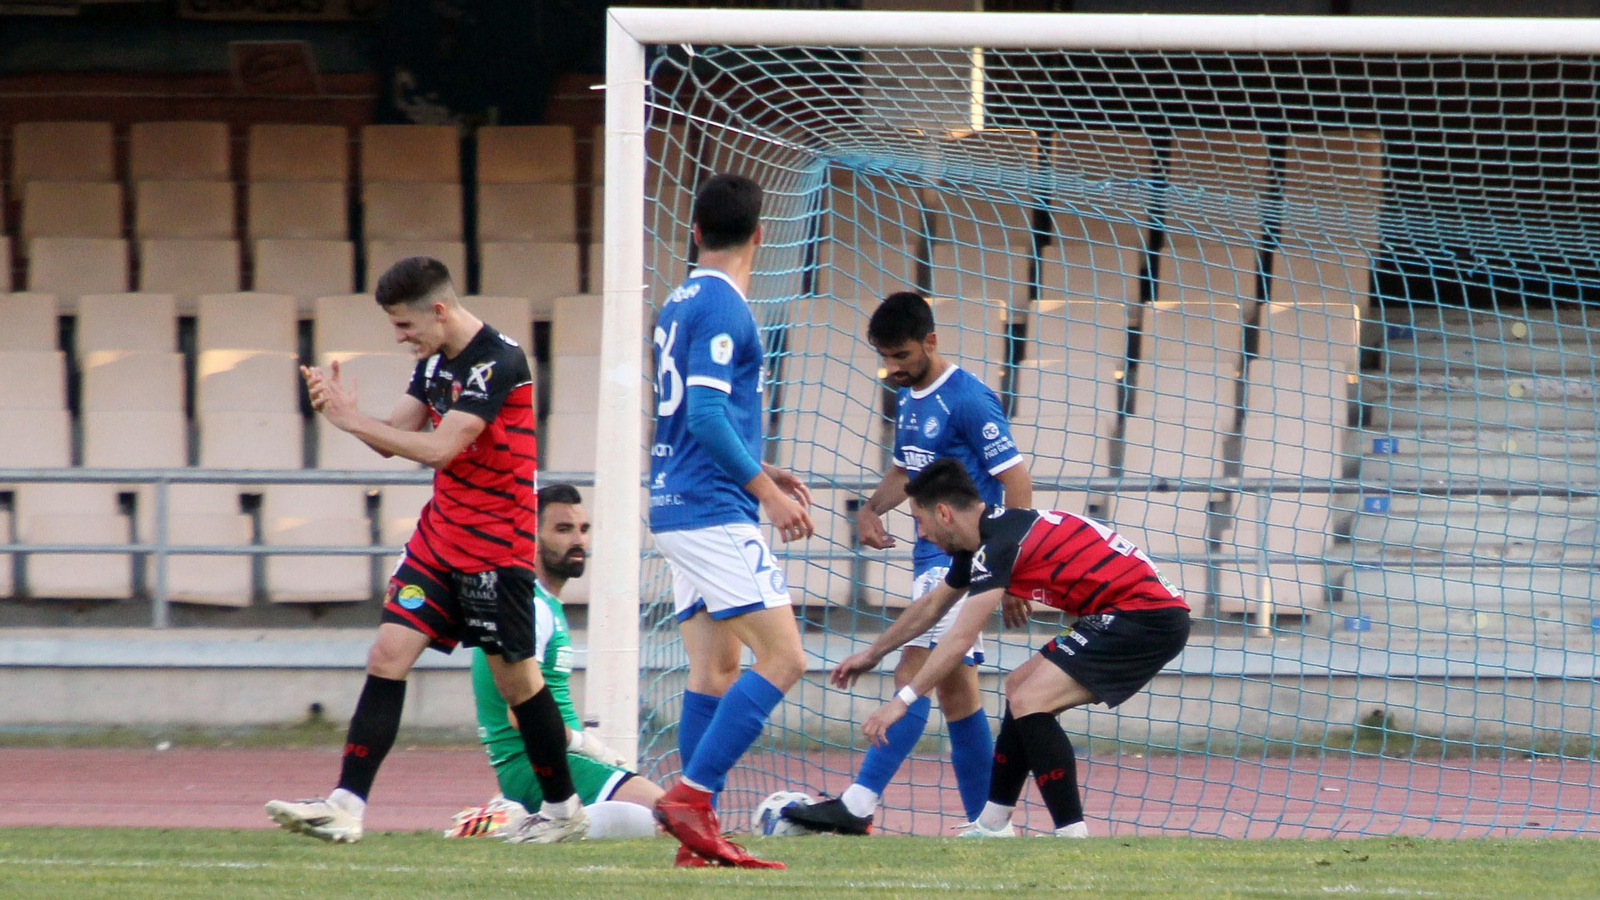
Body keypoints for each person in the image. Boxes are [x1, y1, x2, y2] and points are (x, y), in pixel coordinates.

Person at [265, 256, 587, 844]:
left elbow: (438, 448)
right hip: (440, 540)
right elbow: (398, 434)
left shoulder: (499, 361)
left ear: (438, 310)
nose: (400, 337)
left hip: (496, 548)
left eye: (404, 325)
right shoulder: (436, 360)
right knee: (387, 655)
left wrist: (349, 419)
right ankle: (345, 805)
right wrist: (347, 414)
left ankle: (564, 812)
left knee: (518, 683)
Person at [783, 292, 1033, 836]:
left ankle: (858, 802)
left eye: (900, 356)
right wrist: (872, 509)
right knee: (958, 694)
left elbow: (1016, 483)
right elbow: (905, 470)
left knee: (913, 666)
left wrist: (1009, 568)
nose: (892, 368)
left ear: (931, 342)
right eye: (885, 358)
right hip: (931, 556)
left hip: (964, 558)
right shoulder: (910, 398)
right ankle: (990, 825)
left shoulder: (969, 400)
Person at [832, 459, 1190, 838]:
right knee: (1018, 686)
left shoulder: (999, 545)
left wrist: (900, 702)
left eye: (920, 521)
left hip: (1144, 618)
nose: (922, 534)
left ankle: (1072, 835)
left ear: (944, 512)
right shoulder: (992, 536)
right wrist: (873, 654)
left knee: (1031, 699)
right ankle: (992, 824)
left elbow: (958, 638)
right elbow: (934, 605)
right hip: (1125, 613)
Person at [648, 173, 814, 869]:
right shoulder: (726, 307)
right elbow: (708, 414)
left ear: (694, 232)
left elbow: (698, 416)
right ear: (759, 236)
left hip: (673, 500)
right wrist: (763, 491)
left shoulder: (677, 301)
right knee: (786, 658)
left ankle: (695, 837)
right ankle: (692, 794)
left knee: (717, 668)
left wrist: (762, 467)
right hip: (713, 508)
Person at [447, 483, 663, 840]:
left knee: (662, 820)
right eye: (563, 530)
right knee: (671, 819)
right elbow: (523, 716)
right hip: (534, 764)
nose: (578, 540)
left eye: (583, 529)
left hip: (546, 763)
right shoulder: (530, 607)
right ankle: (508, 820)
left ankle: (508, 814)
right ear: (529, 537)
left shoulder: (541, 603)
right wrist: (592, 747)